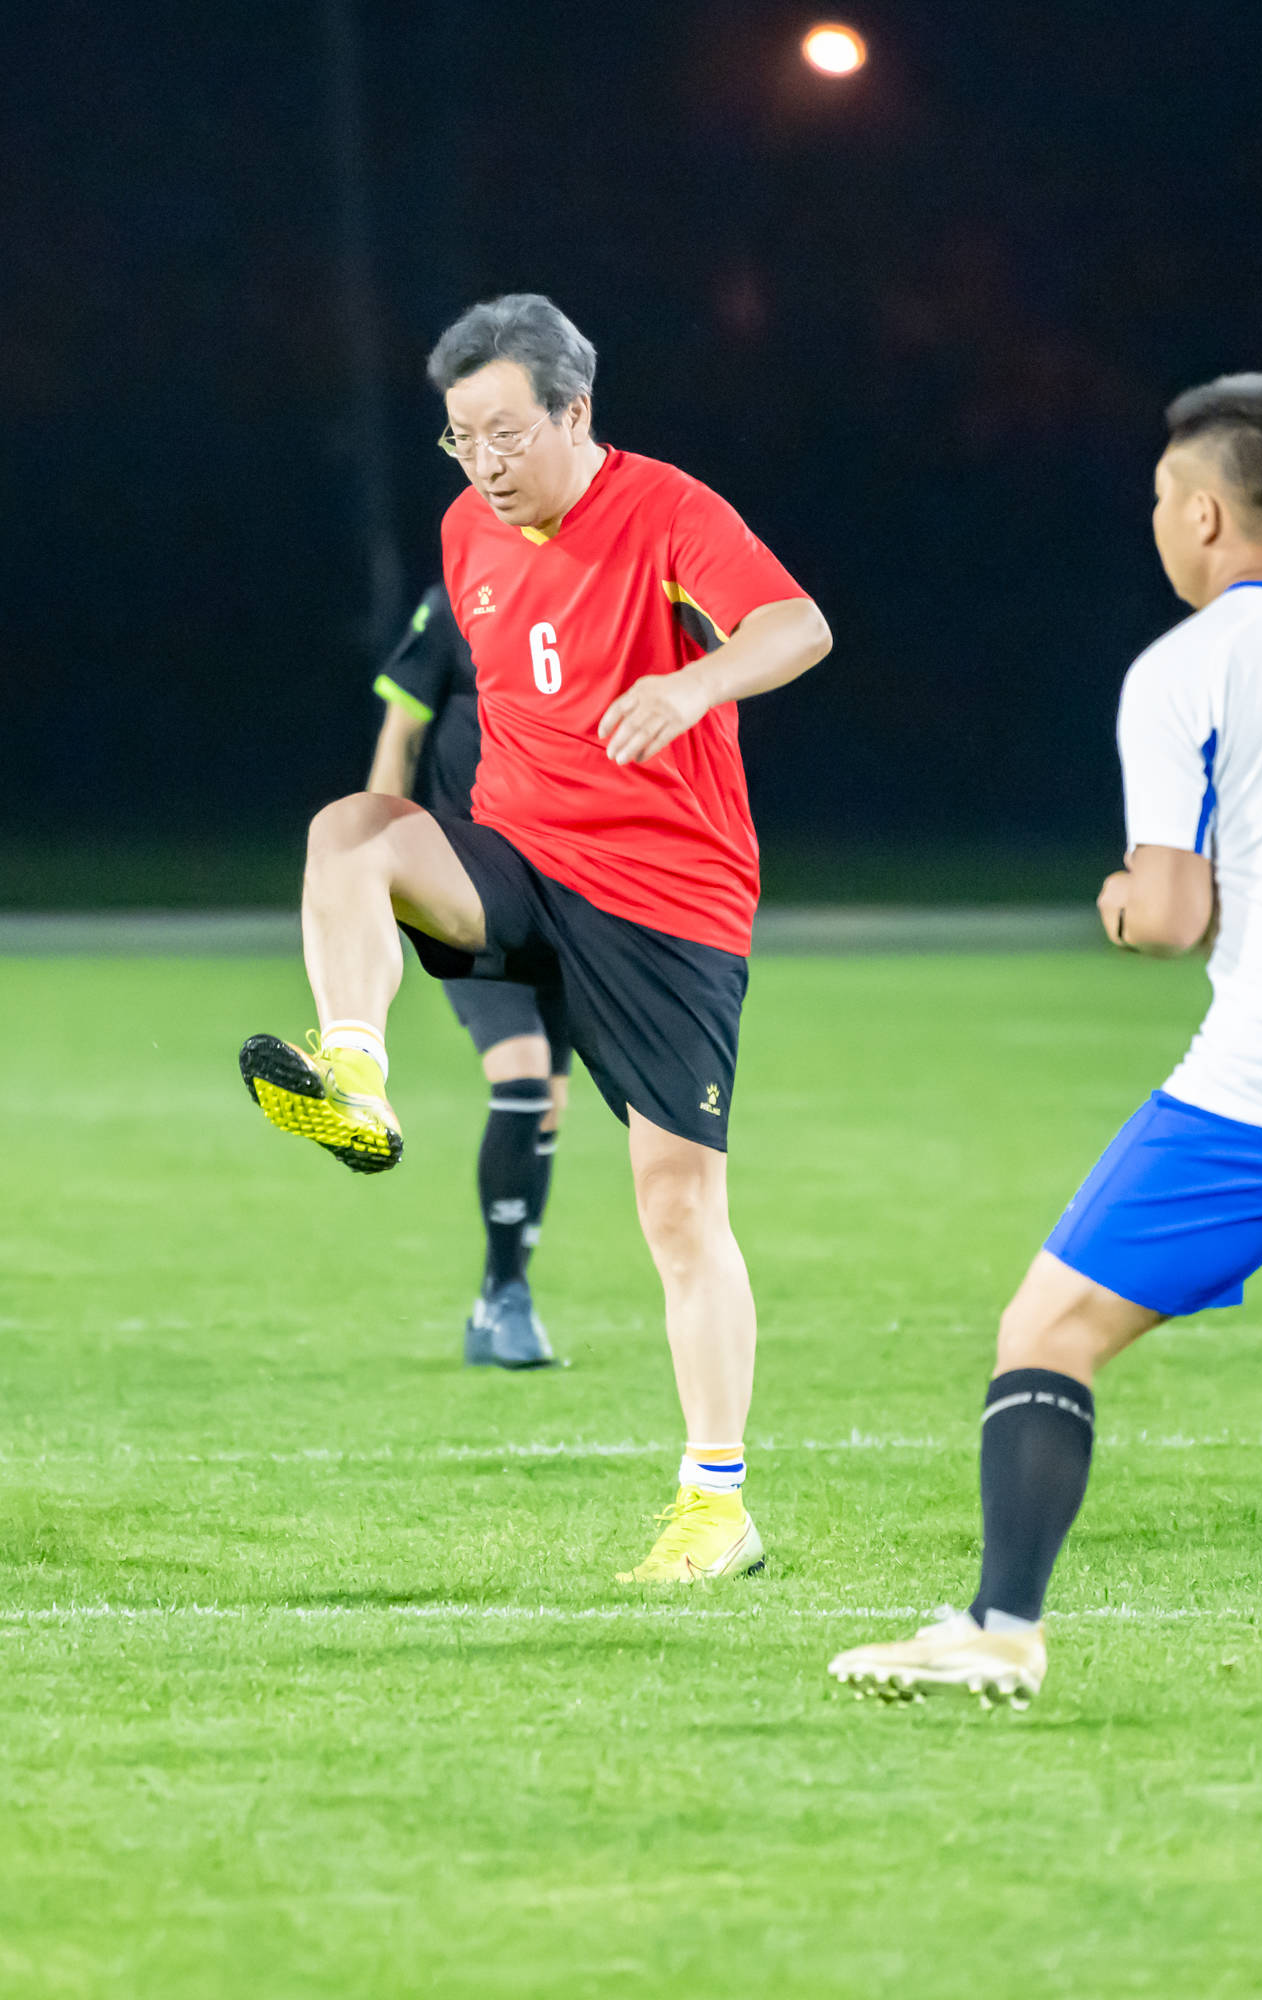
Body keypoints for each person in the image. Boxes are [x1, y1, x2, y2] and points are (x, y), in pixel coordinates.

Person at [832, 375, 1262, 1707]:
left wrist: (1122, 905)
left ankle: (1000, 1623)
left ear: (1206, 512)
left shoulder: (1187, 667)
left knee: (1047, 1325)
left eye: (1163, 502)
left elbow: (1172, 916)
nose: (1158, 524)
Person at [237, 294, 831, 1583]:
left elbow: (799, 627)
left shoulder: (671, 509)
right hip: (512, 859)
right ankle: (354, 1075)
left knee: (678, 1204)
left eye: (507, 433)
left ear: (575, 411)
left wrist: (691, 681)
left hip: (665, 896)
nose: (487, 466)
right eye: (461, 440)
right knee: (350, 830)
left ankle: (716, 1503)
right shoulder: (464, 531)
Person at [369, 584, 567, 1369]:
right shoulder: (454, 603)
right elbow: (401, 729)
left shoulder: (588, 602)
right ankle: (505, 1300)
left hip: (570, 891)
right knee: (519, 1073)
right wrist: (377, 860)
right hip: (468, 885)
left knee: (548, 1102)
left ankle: (502, 1290)